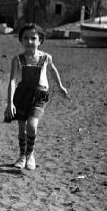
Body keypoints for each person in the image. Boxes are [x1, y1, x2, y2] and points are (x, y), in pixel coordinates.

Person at [4, 23, 68, 170]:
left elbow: (53, 71)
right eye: (26, 38)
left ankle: (30, 154)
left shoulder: (46, 57)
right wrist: (10, 103)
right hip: (21, 95)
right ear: (21, 40)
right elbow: (13, 81)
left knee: (31, 125)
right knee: (22, 128)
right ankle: (22, 156)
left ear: (40, 40)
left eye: (33, 38)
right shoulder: (17, 59)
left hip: (40, 95)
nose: (29, 41)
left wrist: (60, 87)